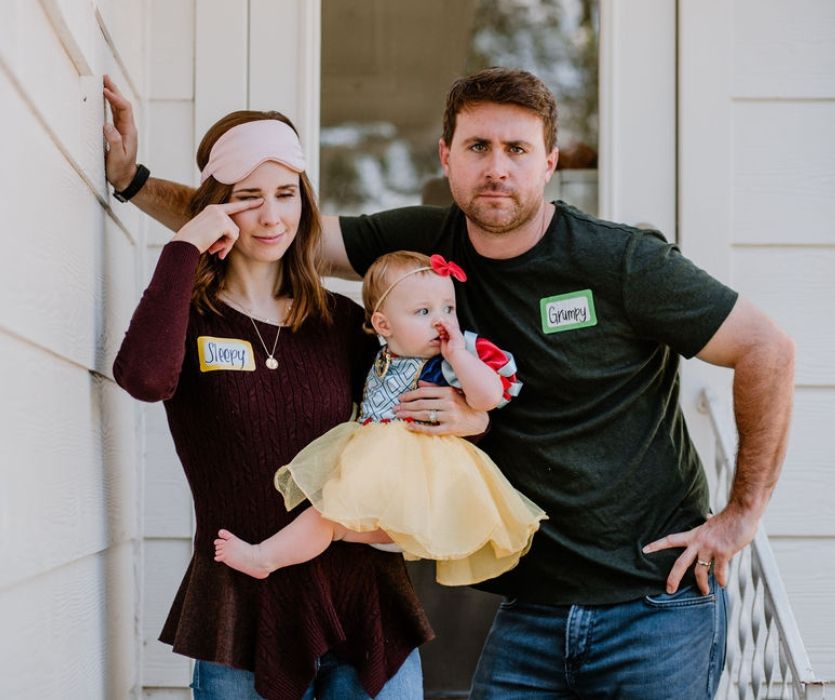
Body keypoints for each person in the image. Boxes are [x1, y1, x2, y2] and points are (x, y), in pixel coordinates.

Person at [104, 67, 796, 699]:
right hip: (530, 606)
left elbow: (765, 348)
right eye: (477, 147)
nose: (496, 169)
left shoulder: (619, 261)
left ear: (549, 162)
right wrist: (135, 183)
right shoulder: (419, 246)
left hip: (652, 604)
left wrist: (740, 516)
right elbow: (277, 228)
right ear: (446, 157)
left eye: (517, 150)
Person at [107, 103, 460, 700]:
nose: (271, 215)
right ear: (218, 205)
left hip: (363, 607)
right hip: (242, 615)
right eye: (248, 196)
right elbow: (142, 378)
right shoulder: (190, 321)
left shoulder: (346, 323)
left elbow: (411, 430)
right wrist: (186, 244)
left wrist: (469, 413)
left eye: (286, 193)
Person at [214, 250, 547, 586]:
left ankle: (263, 558)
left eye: (448, 308)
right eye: (423, 311)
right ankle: (271, 556)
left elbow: (488, 397)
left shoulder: (448, 360)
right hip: (382, 477)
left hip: (423, 480)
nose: (441, 321)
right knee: (329, 523)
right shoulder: (379, 356)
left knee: (326, 519)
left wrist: (459, 354)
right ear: (383, 324)